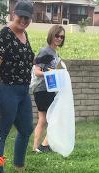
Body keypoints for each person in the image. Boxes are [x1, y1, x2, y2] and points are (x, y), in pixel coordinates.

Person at [0, 0, 35, 173]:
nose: (24, 20)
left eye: (28, 17)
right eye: (21, 16)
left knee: (26, 129)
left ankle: (19, 165)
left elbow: (26, 59)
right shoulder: (4, 35)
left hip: (23, 90)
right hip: (7, 89)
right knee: (1, 132)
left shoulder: (24, 34)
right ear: (14, 13)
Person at [32, 25, 66, 153]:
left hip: (49, 89)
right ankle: (43, 145)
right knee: (52, 117)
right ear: (51, 35)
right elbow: (36, 71)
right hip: (42, 89)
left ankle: (36, 147)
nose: (59, 38)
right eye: (57, 35)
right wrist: (51, 74)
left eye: (62, 37)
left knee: (44, 118)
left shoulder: (55, 52)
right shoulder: (45, 51)